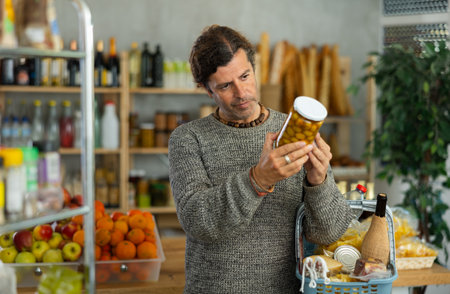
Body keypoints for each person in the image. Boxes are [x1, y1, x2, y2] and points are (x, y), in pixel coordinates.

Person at [168, 25, 354, 294]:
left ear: (255, 70)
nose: (241, 92)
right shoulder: (188, 138)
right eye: (225, 85)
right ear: (207, 90)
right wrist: (258, 179)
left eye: (245, 76)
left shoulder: (294, 130)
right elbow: (198, 221)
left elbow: (328, 233)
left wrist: (319, 181)